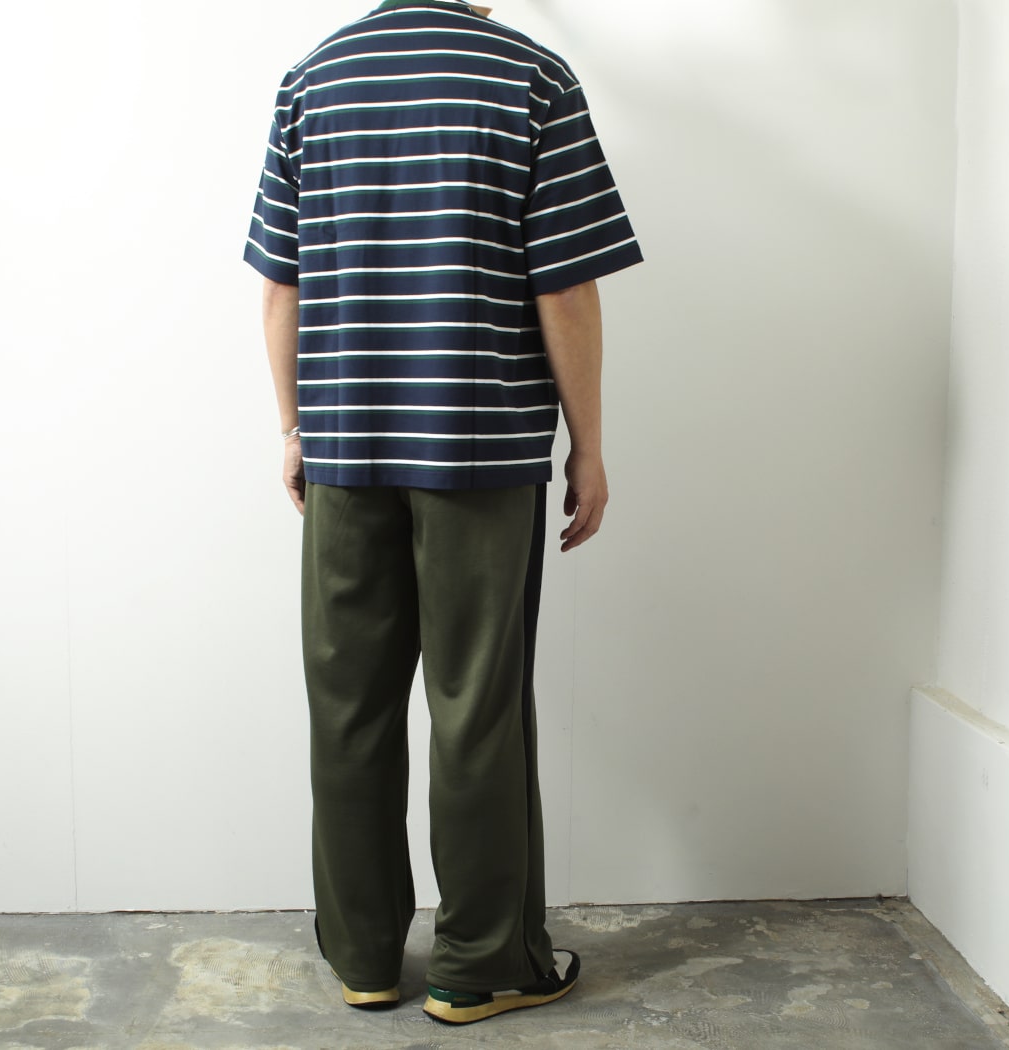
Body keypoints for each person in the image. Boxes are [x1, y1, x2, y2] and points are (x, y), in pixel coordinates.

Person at [244, 0, 642, 1025]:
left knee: (349, 706)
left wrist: (293, 428)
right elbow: (566, 289)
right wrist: (589, 445)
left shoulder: (313, 78)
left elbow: (280, 284)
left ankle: (365, 958)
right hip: (481, 450)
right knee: (477, 706)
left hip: (345, 448)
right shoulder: (531, 78)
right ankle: (480, 964)